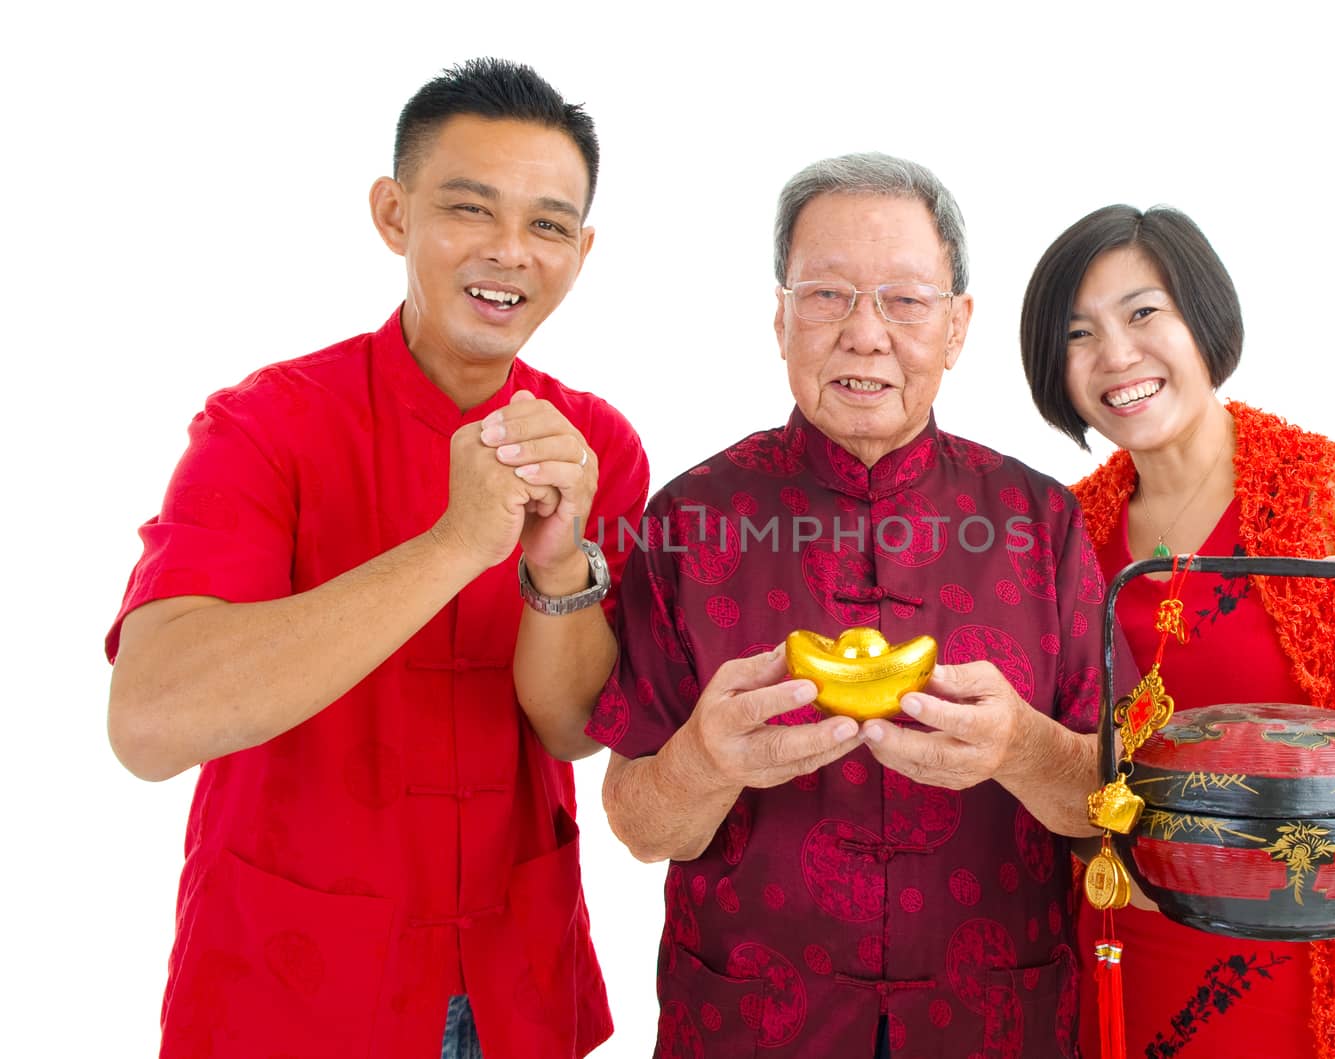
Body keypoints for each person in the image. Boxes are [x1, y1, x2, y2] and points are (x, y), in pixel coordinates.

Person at [105, 59, 648, 1059]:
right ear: (393, 215)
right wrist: (455, 545)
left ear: (583, 249)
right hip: (293, 989)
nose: (508, 252)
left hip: (517, 983)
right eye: (469, 209)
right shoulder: (262, 427)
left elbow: (573, 732)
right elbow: (148, 722)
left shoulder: (594, 446)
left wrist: (556, 562)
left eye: (548, 225)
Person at [586, 153, 1126, 1059]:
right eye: (827, 295)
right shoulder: (691, 517)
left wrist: (1025, 749)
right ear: (780, 318)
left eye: (906, 301)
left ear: (957, 326)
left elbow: (1116, 808)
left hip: (994, 1019)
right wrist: (704, 763)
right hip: (752, 1021)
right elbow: (639, 824)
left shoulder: (1042, 521)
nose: (865, 334)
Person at [1018, 204, 1335, 1059]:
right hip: (1120, 966)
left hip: (1306, 987)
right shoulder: (1066, 532)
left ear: (1202, 317)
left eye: (1143, 313)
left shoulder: (1332, 498)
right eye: (1078, 334)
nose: (1117, 356)